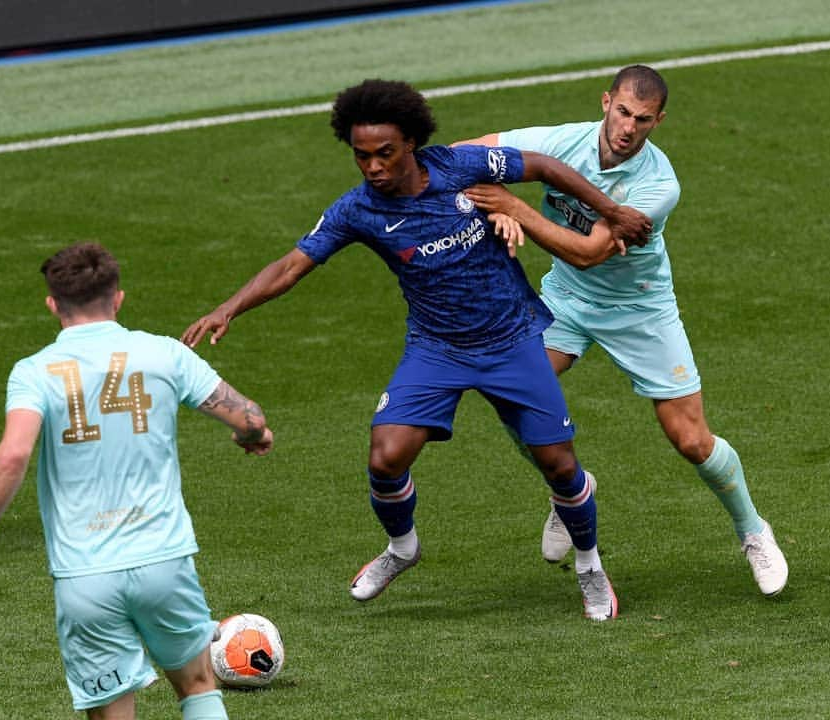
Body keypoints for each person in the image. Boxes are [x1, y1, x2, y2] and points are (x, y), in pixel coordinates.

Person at [182, 79, 650, 621]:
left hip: (511, 338)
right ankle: (403, 549)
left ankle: (590, 565)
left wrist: (610, 212)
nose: (373, 167)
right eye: (362, 156)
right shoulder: (357, 210)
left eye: (385, 153)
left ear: (410, 144)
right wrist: (229, 307)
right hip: (437, 349)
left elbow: (543, 166)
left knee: (560, 467)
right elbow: (292, 265)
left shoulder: (458, 165)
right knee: (386, 457)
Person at [455, 64, 789, 596]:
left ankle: (753, 530)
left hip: (640, 309)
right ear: (606, 101)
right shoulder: (561, 141)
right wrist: (487, 193)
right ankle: (570, 491)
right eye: (624, 112)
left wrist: (515, 205)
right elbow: (460, 154)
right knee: (511, 396)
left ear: (659, 122)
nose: (629, 127)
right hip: (566, 299)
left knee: (691, 440)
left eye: (644, 119)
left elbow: (588, 254)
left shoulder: (659, 184)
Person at [0, 243, 273, 719]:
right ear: (118, 299)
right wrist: (255, 434)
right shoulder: (165, 353)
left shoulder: (34, 373)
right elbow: (248, 415)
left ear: (53, 305)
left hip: (85, 576)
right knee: (198, 685)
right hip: (164, 562)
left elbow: (14, 453)